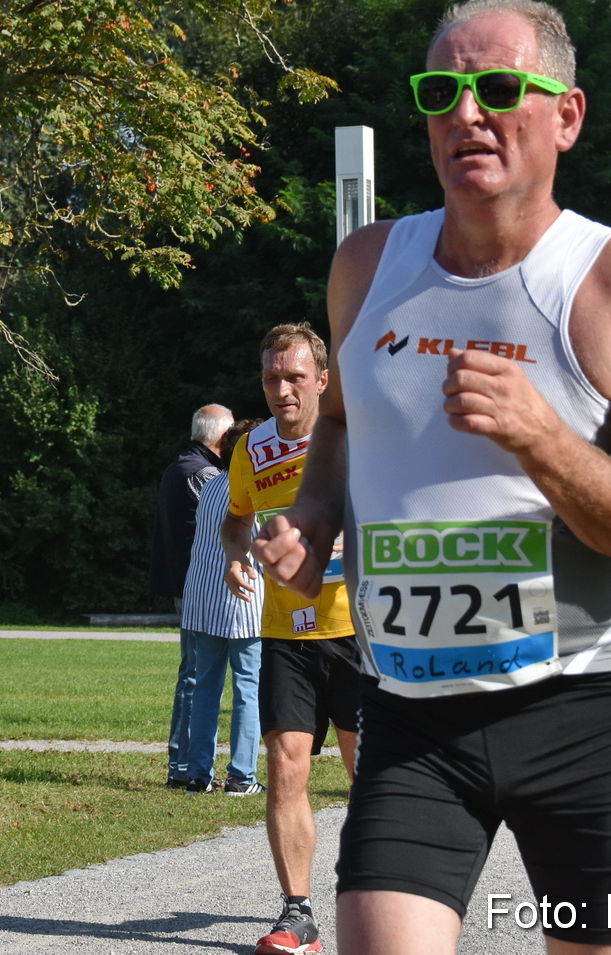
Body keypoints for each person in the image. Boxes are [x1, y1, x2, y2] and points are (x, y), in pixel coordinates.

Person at [254, 0, 611, 955]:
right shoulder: (366, 265)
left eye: (498, 86)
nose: (467, 112)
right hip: (412, 714)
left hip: (579, 706)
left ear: (566, 115)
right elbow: (337, 418)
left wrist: (542, 438)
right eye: (441, 90)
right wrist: (316, 515)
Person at [221, 324, 360, 955]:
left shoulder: (357, 440)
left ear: (322, 380)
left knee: (373, 776)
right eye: (272, 378)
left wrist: (344, 541)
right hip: (285, 632)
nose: (282, 389)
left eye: (295, 377)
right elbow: (236, 519)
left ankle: (375, 897)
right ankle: (298, 914)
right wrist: (238, 553)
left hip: (359, 630)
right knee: (284, 766)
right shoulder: (251, 448)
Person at [179, 418, 266, 795]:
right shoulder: (256, 488)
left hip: (203, 599)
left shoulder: (212, 485)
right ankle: (241, 775)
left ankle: (198, 773)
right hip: (244, 601)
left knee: (205, 688)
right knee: (248, 688)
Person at [152, 403, 234, 788]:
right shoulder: (204, 474)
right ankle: (183, 767)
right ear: (220, 437)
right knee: (196, 676)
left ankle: (182, 766)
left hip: (185, 585)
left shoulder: (179, 466)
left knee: (193, 674)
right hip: (198, 586)